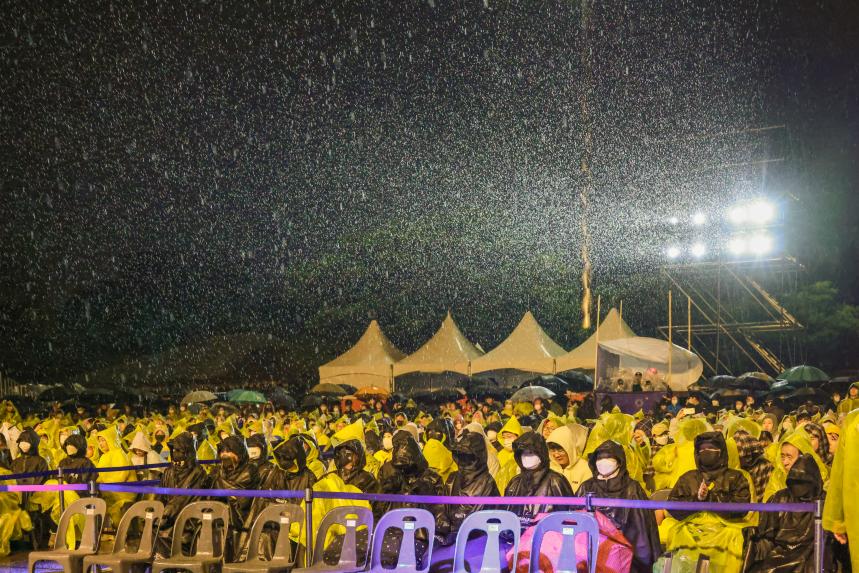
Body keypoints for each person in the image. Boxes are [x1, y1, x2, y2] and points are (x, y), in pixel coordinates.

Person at [576, 440, 661, 573]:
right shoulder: (586, 487)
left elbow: (641, 533)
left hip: (625, 557)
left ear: (619, 461)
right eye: (600, 458)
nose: (604, 461)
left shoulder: (632, 489)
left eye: (609, 457)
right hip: (590, 555)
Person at [748, 454, 829, 573]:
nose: (799, 487)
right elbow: (766, 534)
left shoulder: (826, 501)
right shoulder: (780, 498)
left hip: (813, 554)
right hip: (780, 553)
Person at [503, 432, 573, 525]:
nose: (526, 457)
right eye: (523, 453)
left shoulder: (555, 481)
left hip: (546, 536)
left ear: (541, 454)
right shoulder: (515, 481)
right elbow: (505, 514)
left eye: (531, 453)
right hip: (515, 536)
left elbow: (567, 516)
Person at [210, 435, 259, 560]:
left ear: (239, 453)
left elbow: (240, 498)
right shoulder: (217, 471)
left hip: (241, 517)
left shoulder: (250, 470)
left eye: (229, 451)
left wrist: (221, 488)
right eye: (223, 451)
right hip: (218, 516)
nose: (225, 455)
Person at [12, 428, 51, 549]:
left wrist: (31, 492)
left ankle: (36, 543)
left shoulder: (40, 461)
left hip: (34, 497)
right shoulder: (15, 462)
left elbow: (43, 479)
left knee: (35, 519)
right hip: (17, 496)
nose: (23, 444)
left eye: (27, 441)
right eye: (21, 441)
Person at [546, 424, 592, 493]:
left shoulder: (586, 468)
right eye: (552, 450)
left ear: (570, 447)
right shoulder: (548, 468)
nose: (556, 455)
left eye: (560, 450)